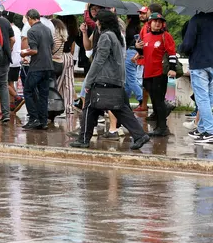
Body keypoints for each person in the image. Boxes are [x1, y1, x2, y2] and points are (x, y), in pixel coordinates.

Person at [70, 10, 150, 150]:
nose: (96, 23)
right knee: (115, 108)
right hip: (115, 78)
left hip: (103, 79)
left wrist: (88, 80)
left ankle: (83, 139)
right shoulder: (116, 36)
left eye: (97, 20)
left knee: (89, 107)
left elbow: (99, 61)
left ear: (102, 22)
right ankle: (139, 135)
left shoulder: (106, 37)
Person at [136, 12, 177, 137]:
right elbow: (143, 52)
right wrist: (137, 47)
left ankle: (162, 127)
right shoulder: (146, 36)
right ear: (150, 23)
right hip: (147, 72)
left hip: (160, 73)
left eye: (160, 22)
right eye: (155, 21)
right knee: (154, 100)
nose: (157, 23)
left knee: (158, 101)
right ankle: (160, 123)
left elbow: (172, 53)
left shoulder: (166, 36)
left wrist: (172, 68)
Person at [182, 9, 213, 143]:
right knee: (209, 98)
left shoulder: (196, 19)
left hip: (200, 63)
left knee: (202, 98)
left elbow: (188, 44)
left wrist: (182, 49)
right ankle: (201, 128)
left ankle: (210, 131)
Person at [21, 8, 55, 130]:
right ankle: (43, 120)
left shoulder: (31, 31)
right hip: (48, 66)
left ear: (29, 18)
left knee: (28, 91)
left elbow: (34, 50)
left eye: (28, 19)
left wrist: (24, 54)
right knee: (43, 94)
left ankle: (33, 118)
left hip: (37, 66)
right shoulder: (47, 29)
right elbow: (52, 47)